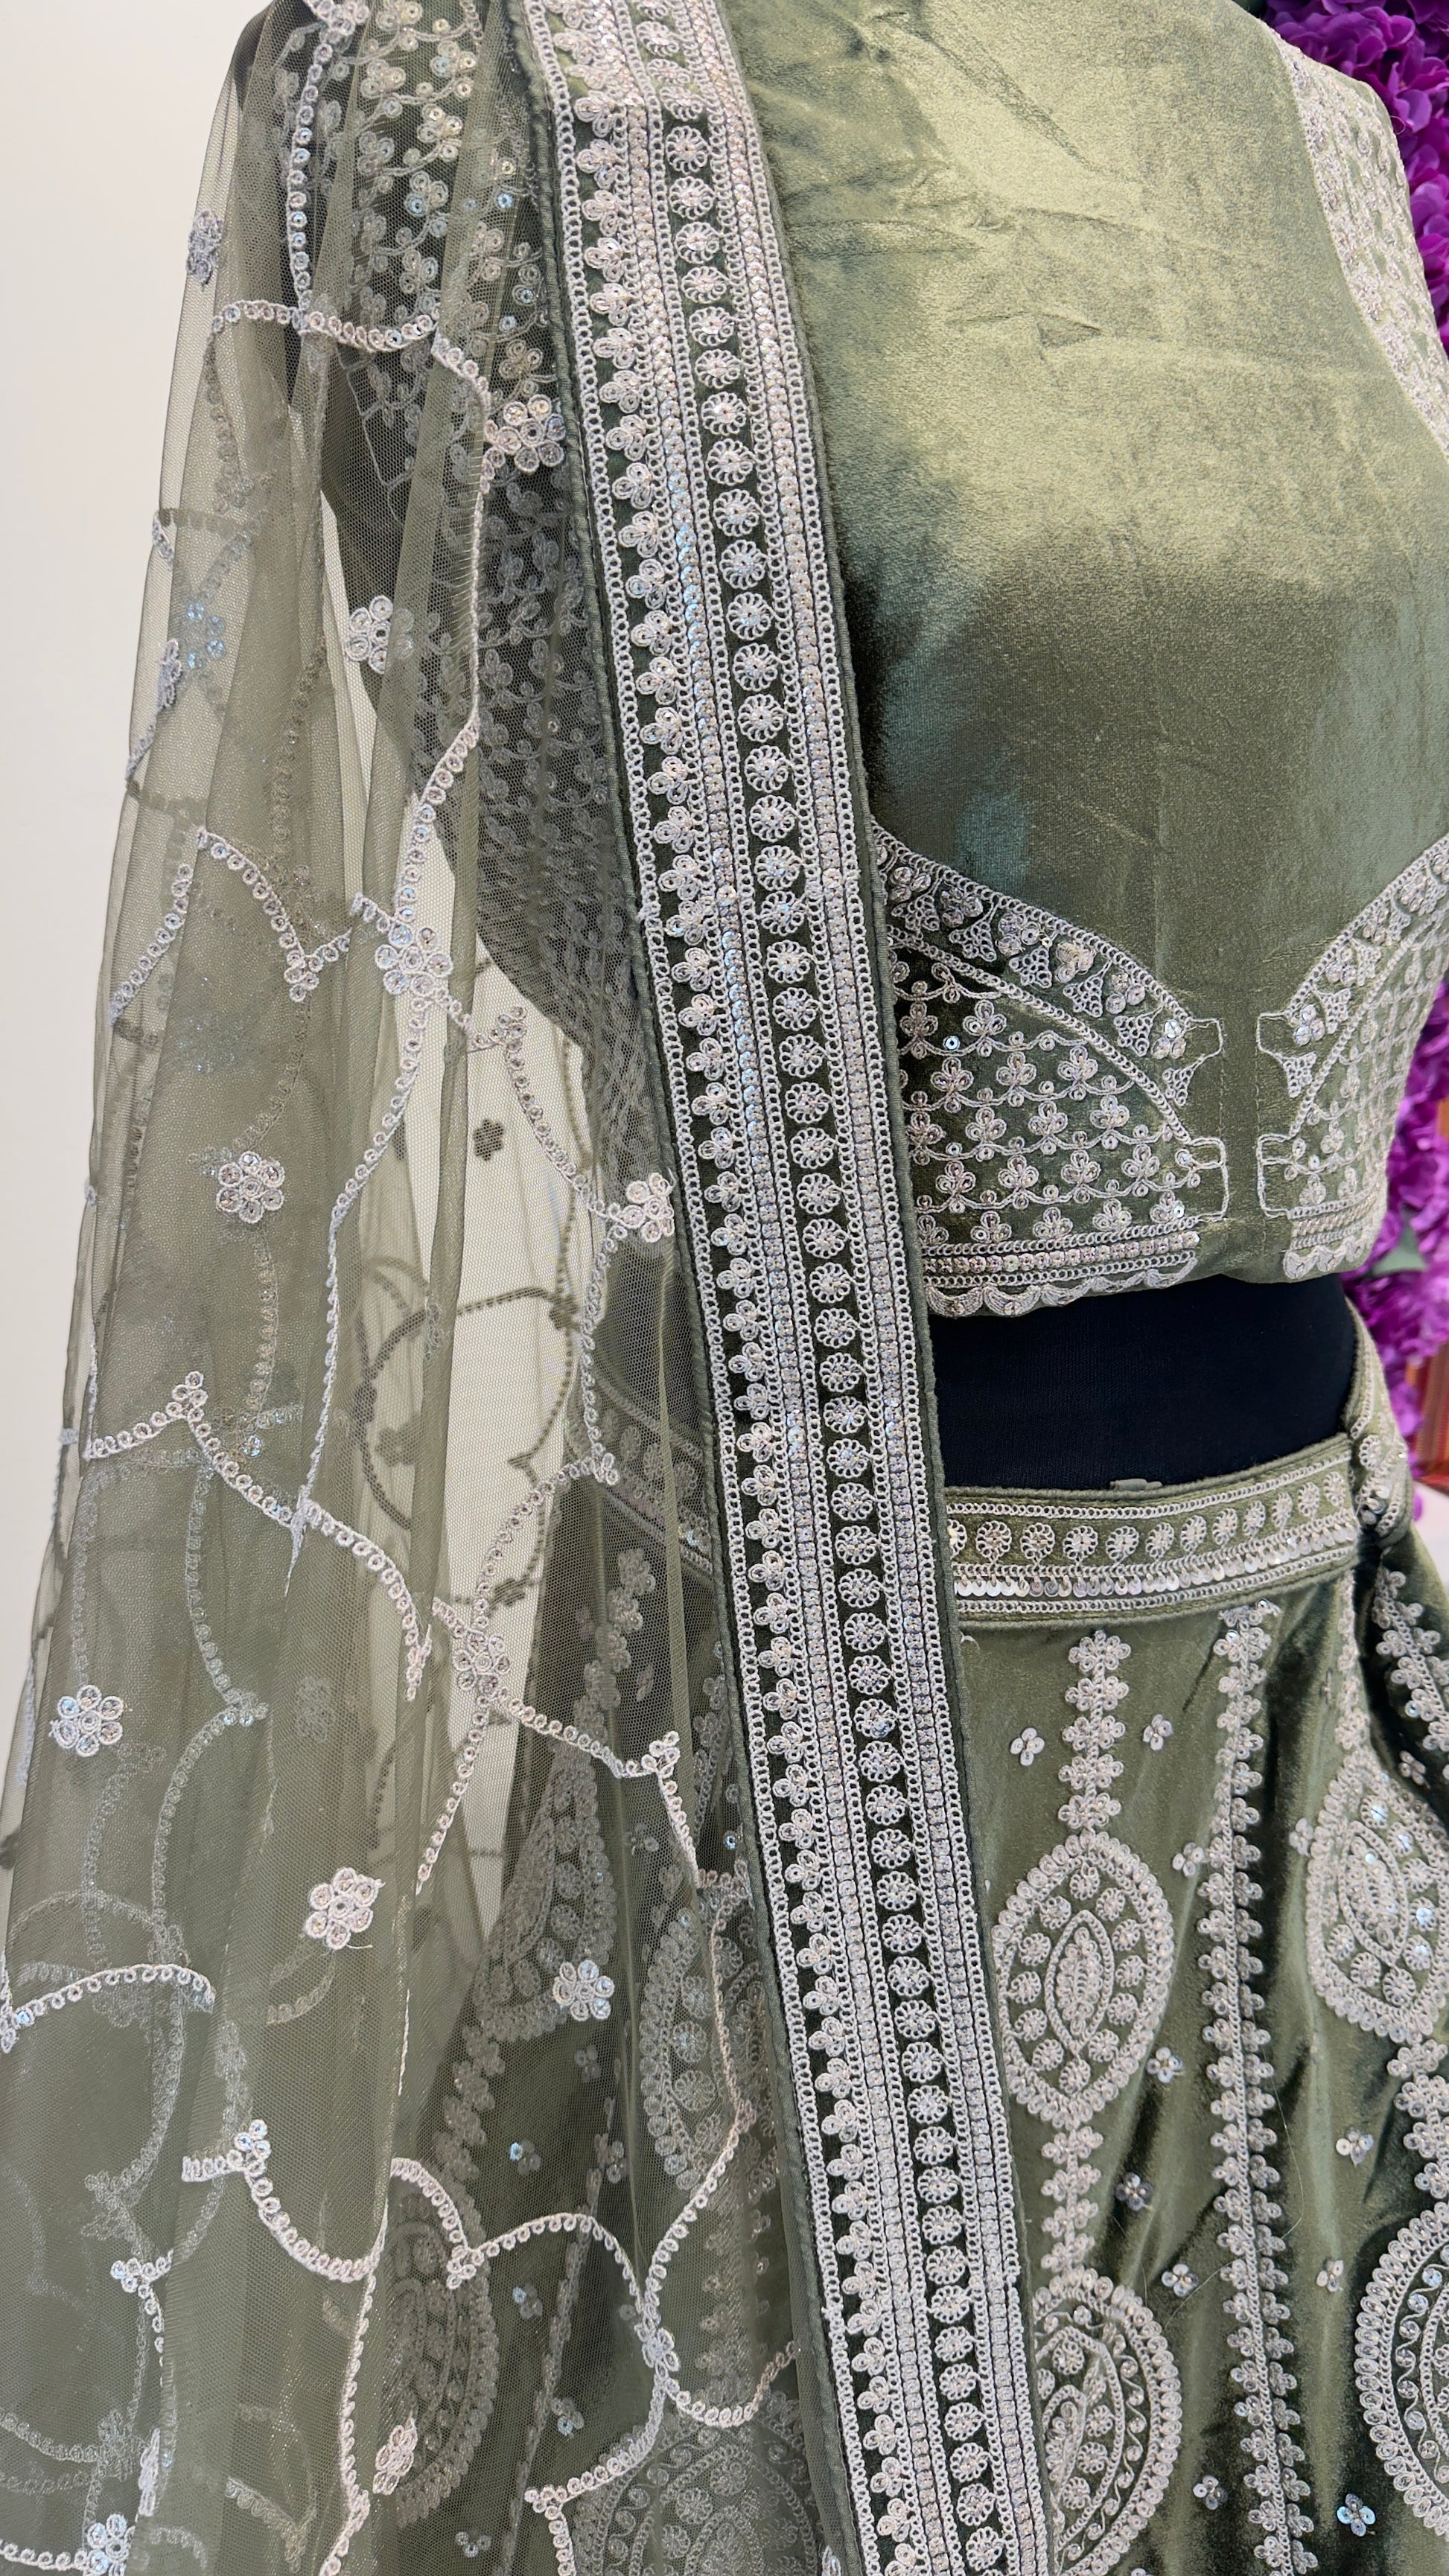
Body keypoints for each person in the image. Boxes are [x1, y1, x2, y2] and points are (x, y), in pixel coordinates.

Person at [4, 3, 1449, 2570]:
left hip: (1320, 1773)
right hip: (806, 1795)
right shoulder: (471, 102)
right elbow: (614, 942)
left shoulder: (1304, 122)